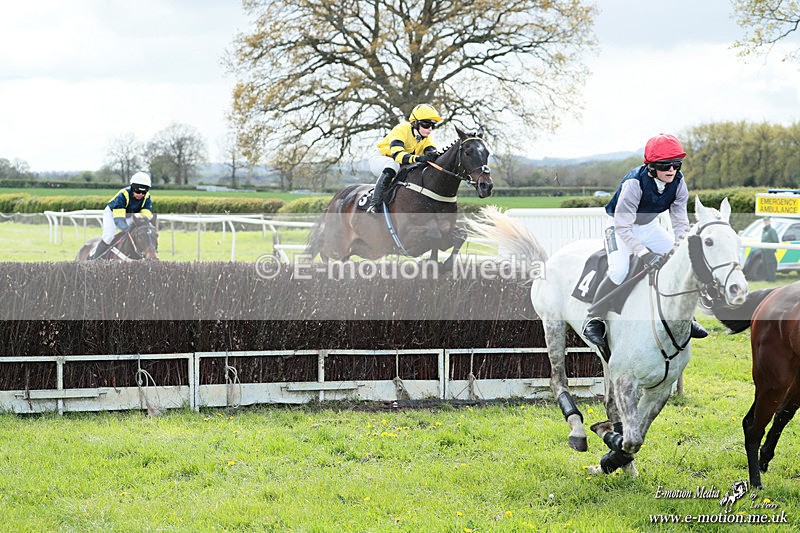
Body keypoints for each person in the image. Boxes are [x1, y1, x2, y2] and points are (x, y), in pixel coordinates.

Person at [582, 133, 708, 348]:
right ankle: (594, 318)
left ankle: (688, 317)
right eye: (664, 165)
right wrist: (644, 253)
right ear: (651, 167)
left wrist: (680, 246)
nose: (671, 170)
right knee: (619, 270)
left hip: (650, 227)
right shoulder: (634, 183)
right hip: (619, 227)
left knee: (680, 261)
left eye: (676, 165)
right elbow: (623, 226)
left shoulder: (678, 182)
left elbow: (679, 221)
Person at [366, 103, 443, 213]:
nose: (430, 129)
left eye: (433, 125)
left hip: (401, 163)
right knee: (393, 165)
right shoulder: (401, 129)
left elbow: (432, 154)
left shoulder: (426, 137)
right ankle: (375, 204)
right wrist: (419, 158)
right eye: (426, 124)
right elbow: (397, 156)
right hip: (381, 158)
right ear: (415, 123)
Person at [92, 171, 154, 259]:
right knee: (108, 236)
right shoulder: (123, 195)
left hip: (129, 214)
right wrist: (125, 227)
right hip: (112, 213)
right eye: (138, 191)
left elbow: (146, 215)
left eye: (144, 192)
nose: (141, 194)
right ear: (132, 187)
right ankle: (95, 260)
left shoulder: (147, 197)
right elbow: (118, 219)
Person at [761, 217, 779, 282]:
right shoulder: (764, 230)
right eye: (764, 221)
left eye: (767, 221)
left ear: (769, 222)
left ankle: (772, 279)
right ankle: (767, 278)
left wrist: (773, 250)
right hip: (764, 251)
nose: (765, 222)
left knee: (770, 265)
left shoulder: (771, 230)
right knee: (765, 265)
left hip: (769, 251)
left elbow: (776, 241)